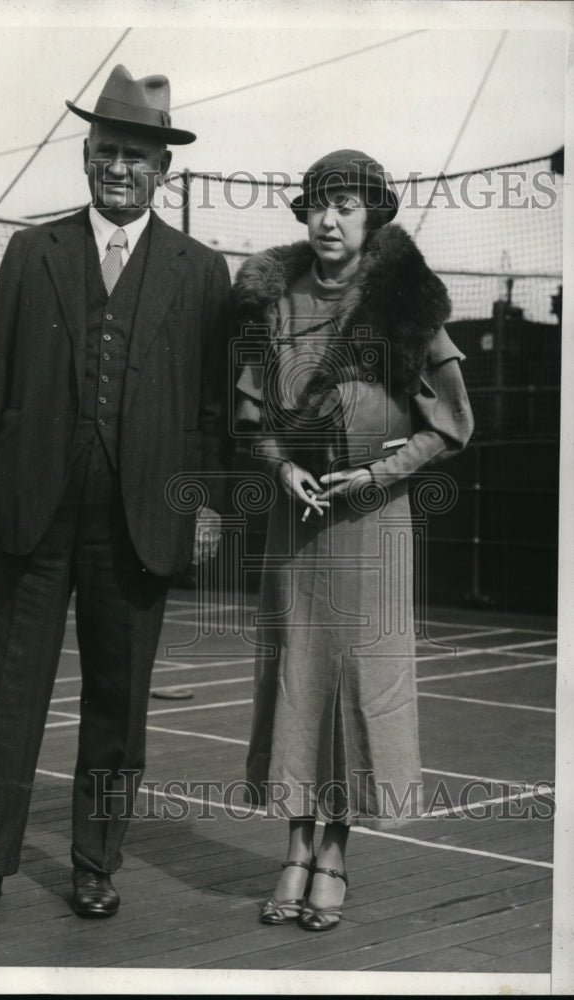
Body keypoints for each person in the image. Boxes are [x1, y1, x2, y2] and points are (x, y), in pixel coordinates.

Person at [0, 65, 231, 921]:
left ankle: (96, 862)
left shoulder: (201, 271)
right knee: (9, 694)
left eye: (137, 156)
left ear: (162, 169)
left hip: (140, 518)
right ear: (85, 156)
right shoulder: (33, 252)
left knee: (117, 703)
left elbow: (213, 409)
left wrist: (203, 500)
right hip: (32, 504)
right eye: (107, 152)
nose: (120, 168)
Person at [234, 149, 473, 931]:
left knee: (357, 684)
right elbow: (249, 418)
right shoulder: (273, 297)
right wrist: (280, 468)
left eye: (345, 205)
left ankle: (334, 852)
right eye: (316, 205)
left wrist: (375, 475)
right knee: (296, 680)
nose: (328, 219)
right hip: (295, 526)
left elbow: (450, 425)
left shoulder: (406, 302)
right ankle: (293, 848)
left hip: (373, 523)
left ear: (372, 216)